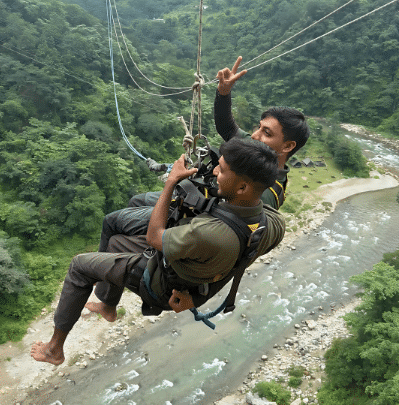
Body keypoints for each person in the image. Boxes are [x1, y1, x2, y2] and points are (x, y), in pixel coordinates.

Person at [30, 137, 285, 366]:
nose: (216, 171)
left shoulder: (211, 233)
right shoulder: (272, 224)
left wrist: (172, 181)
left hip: (161, 282)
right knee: (116, 239)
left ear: (242, 188)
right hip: (186, 271)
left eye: (223, 170)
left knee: (80, 266)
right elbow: (238, 262)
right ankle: (108, 305)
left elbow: (154, 237)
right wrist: (199, 298)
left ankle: (54, 350)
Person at [97, 56, 309, 252]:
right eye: (259, 127)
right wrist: (223, 93)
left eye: (266, 133)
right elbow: (227, 128)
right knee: (136, 200)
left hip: (192, 221)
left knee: (114, 224)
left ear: (288, 146)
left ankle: (118, 266)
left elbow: (234, 235)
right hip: (191, 201)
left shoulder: (265, 192)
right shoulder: (255, 153)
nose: (254, 136)